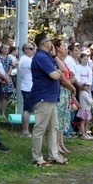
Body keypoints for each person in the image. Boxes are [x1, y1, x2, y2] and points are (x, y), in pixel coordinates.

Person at [30, 33, 64, 167]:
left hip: (51, 97)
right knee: (40, 128)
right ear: (45, 43)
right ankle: (37, 158)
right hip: (43, 96)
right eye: (50, 41)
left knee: (52, 128)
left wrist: (55, 56)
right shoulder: (40, 57)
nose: (52, 44)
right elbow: (55, 75)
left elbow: (62, 69)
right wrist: (57, 72)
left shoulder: (48, 57)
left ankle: (53, 155)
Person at [18, 42, 35, 136]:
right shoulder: (26, 60)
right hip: (28, 87)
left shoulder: (27, 59)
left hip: (29, 86)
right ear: (25, 50)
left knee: (28, 109)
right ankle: (25, 131)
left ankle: (26, 130)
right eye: (31, 48)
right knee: (28, 109)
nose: (33, 50)